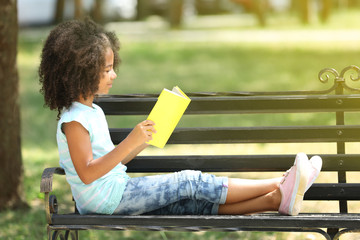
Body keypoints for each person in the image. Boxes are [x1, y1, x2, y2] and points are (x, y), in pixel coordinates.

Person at [39, 19, 322, 216]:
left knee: (190, 203)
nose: (114, 75)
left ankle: (277, 199)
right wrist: (129, 143)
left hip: (113, 192)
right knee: (189, 181)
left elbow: (106, 164)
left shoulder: (92, 111)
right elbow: (88, 173)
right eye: (107, 69)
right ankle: (281, 182)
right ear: (84, 71)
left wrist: (141, 141)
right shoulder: (74, 120)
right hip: (105, 199)